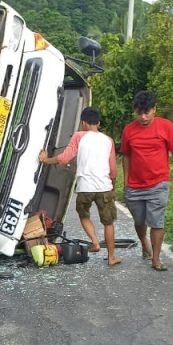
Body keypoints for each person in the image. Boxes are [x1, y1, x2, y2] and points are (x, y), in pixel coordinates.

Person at [120, 90, 173, 271]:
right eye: (139, 113)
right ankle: (144, 243)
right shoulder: (129, 130)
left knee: (156, 221)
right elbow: (126, 156)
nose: (143, 117)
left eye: (147, 112)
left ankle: (156, 258)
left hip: (159, 183)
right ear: (135, 111)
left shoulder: (166, 126)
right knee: (139, 221)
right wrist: (126, 181)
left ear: (154, 109)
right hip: (135, 186)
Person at [39, 106, 121, 267]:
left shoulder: (79, 136)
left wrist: (45, 159)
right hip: (104, 186)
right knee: (108, 223)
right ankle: (112, 257)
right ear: (98, 122)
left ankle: (95, 242)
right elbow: (113, 169)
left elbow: (63, 159)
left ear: (83, 122)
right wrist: (113, 186)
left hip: (85, 187)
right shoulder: (108, 140)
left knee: (84, 216)